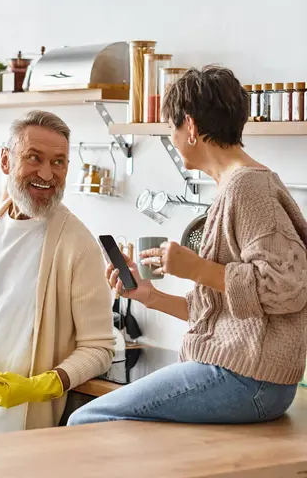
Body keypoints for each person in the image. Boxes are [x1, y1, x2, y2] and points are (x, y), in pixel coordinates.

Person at [68, 65, 307, 427]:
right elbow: (224, 316)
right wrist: (149, 296)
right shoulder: (235, 187)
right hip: (250, 378)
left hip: (248, 380)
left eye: (171, 128)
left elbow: (287, 288)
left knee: (87, 420)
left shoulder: (248, 188)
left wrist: (195, 268)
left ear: (191, 127)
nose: (173, 137)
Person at [0, 110, 114, 438]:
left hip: (19, 431)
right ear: (5, 161)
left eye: (59, 162)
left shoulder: (77, 245)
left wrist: (43, 386)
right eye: (34, 157)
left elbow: (99, 348)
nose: (47, 172)